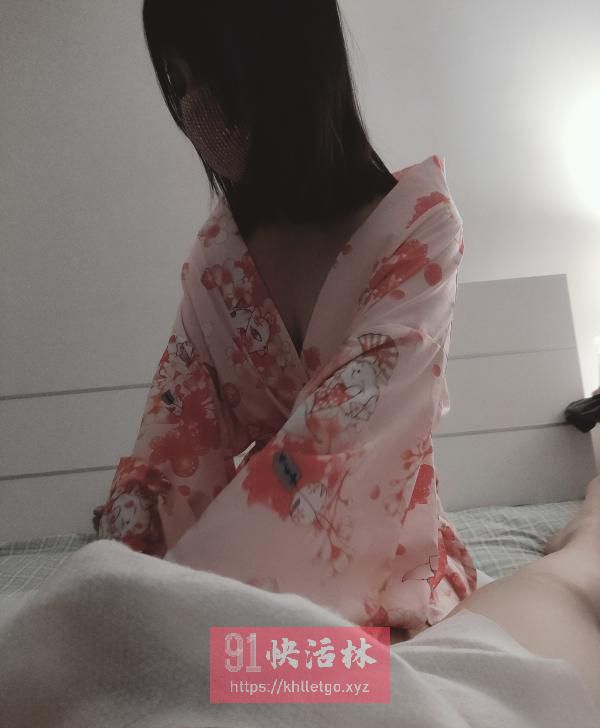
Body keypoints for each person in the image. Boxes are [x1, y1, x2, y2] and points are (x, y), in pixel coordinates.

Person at [89, 3, 600, 715]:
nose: (192, 106)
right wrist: (120, 593)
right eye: (177, 81)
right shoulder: (220, 259)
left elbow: (337, 456)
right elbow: (173, 449)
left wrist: (176, 621)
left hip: (387, 570)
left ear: (283, 61)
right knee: (124, 666)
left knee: (265, 681)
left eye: (208, 72)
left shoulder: (418, 232)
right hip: (253, 578)